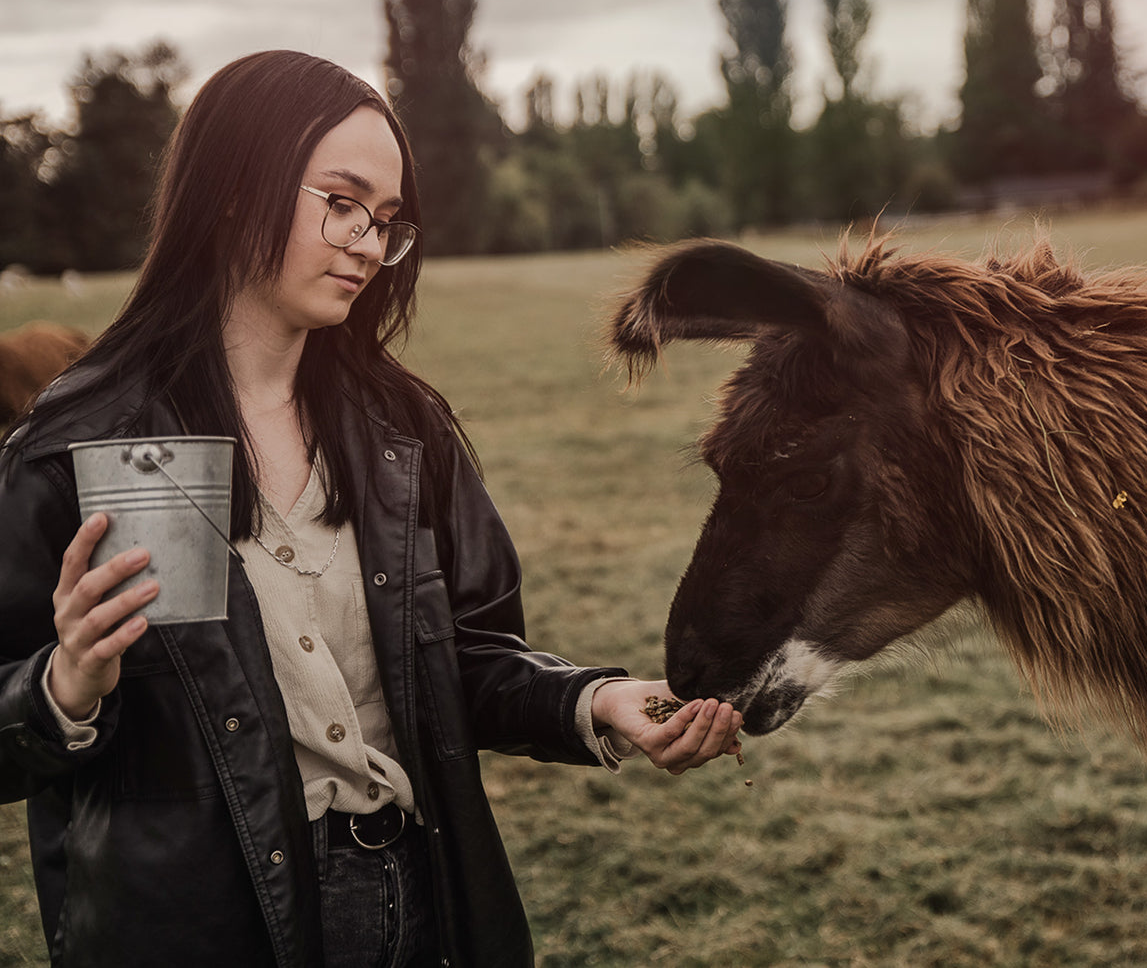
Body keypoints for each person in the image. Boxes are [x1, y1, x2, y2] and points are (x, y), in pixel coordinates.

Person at [0, 49, 742, 968]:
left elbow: (463, 659)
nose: (365, 241)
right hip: (199, 927)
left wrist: (596, 700)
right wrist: (64, 686)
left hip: (411, 904)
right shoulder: (85, 440)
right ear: (235, 190)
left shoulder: (403, 427)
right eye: (341, 203)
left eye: (387, 221)